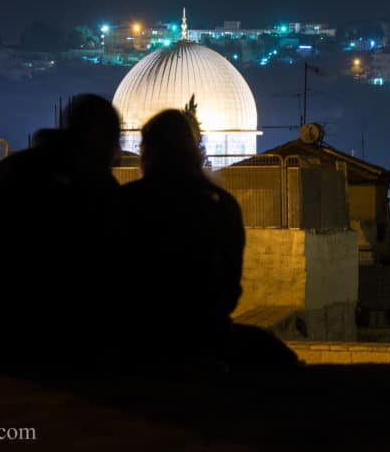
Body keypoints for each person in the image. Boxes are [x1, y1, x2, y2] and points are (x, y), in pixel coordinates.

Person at [0, 94, 122, 375]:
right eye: (115, 144)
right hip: (36, 354)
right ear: (98, 138)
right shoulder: (89, 186)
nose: (118, 155)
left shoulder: (9, 170)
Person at [119, 109, 297, 370]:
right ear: (193, 152)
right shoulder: (221, 205)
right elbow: (230, 290)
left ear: (146, 153)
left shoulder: (125, 203)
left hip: (139, 341)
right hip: (206, 336)